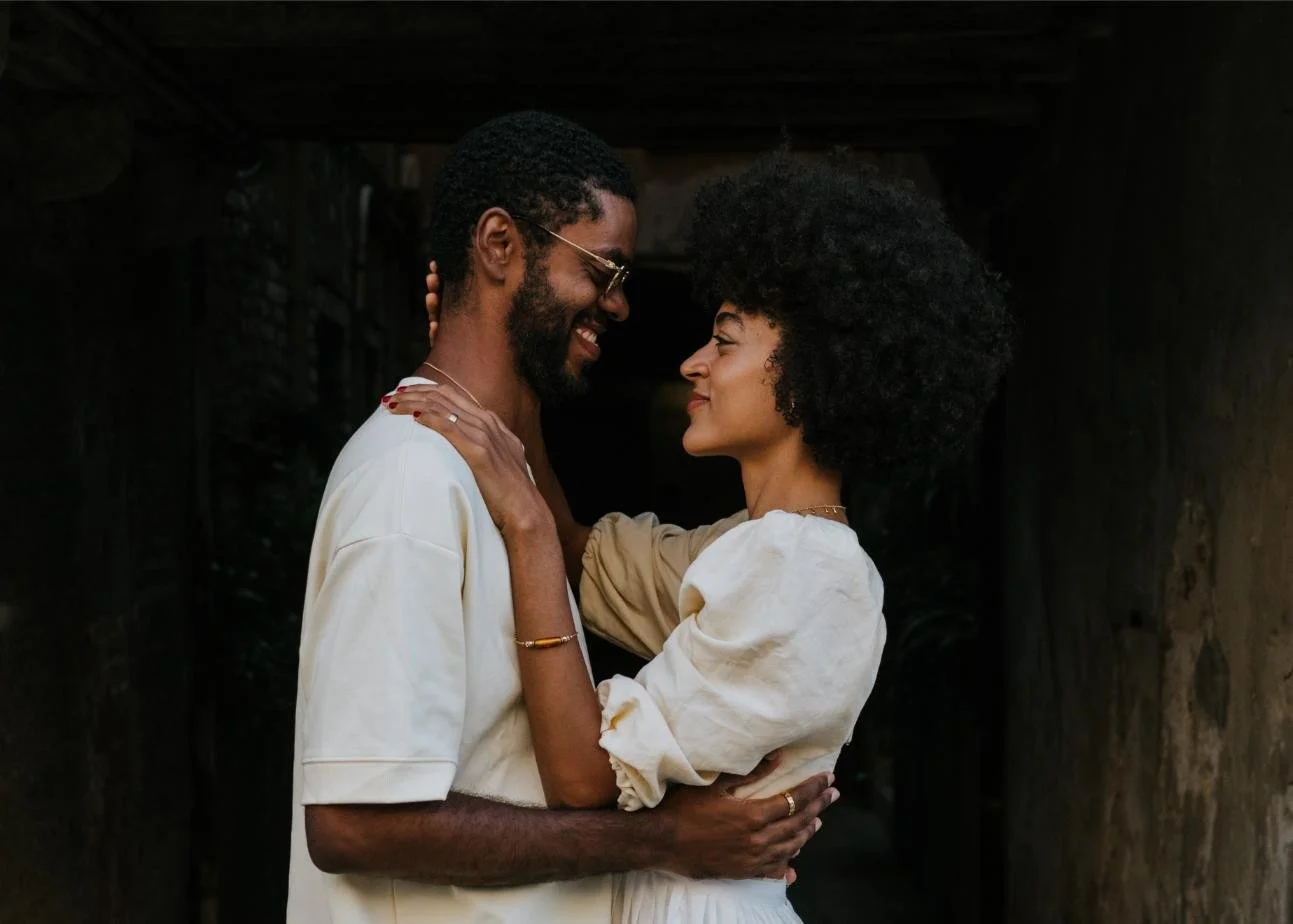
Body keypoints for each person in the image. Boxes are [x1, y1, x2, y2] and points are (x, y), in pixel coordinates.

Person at [392, 152, 1013, 921]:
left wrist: (522, 529)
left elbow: (583, 779)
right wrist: (500, 352)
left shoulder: (802, 574)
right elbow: (580, 553)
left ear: (814, 374)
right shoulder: (757, 549)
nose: (692, 363)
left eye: (724, 340)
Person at [287, 114, 836, 924]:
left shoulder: (494, 478)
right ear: (500, 245)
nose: (619, 304)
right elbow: (353, 827)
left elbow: (578, 552)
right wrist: (664, 839)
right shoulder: (411, 486)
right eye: (604, 270)